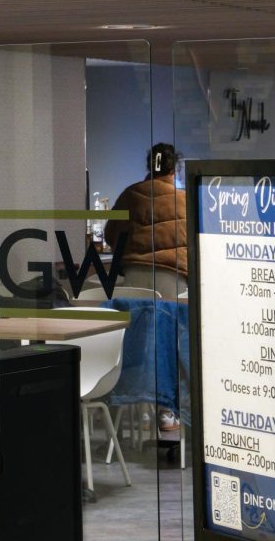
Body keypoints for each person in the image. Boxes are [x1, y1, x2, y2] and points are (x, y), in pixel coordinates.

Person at [103, 142, 187, 432]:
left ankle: (130, 407)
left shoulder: (130, 195)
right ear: (175, 168)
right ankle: (167, 411)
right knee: (170, 342)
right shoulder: (183, 200)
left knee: (136, 341)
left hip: (134, 282)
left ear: (149, 165)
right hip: (172, 280)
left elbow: (111, 235)